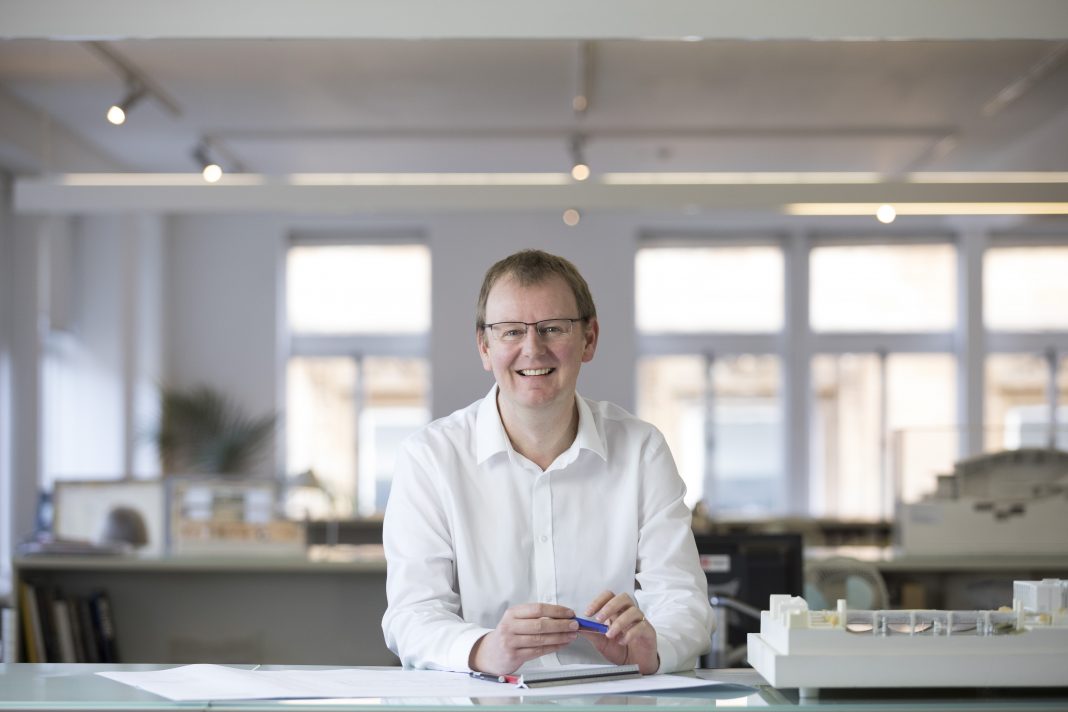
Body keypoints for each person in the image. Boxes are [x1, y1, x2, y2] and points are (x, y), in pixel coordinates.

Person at [381, 249, 713, 676]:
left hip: (615, 697)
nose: (532, 349)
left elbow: (683, 600)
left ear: (589, 339)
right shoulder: (430, 458)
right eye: (511, 332)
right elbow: (411, 613)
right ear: (484, 347)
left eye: (553, 328)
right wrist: (483, 649)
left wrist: (653, 649)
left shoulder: (641, 450)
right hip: (483, 698)